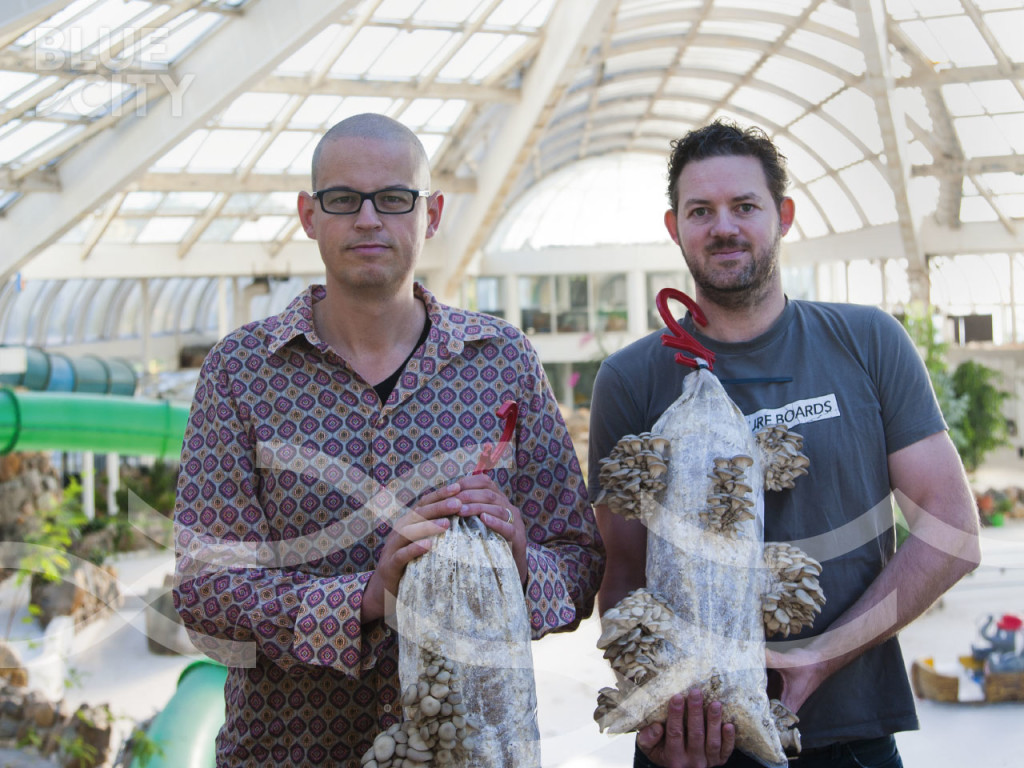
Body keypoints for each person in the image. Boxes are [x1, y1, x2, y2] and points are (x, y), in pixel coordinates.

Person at [173, 113, 603, 766]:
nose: (369, 219)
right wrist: (366, 599)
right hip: (288, 752)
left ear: (430, 213)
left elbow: (579, 567)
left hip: (469, 751)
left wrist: (518, 561)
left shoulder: (503, 362)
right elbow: (207, 597)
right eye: (343, 200)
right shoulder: (241, 372)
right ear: (309, 215)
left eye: (394, 199)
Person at [588, 119, 981, 768]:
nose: (723, 226)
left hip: (850, 729)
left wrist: (822, 655)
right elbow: (622, 574)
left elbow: (952, 530)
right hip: (695, 743)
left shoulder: (866, 342)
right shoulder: (632, 378)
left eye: (745, 206)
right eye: (700, 211)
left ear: (784, 215)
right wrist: (657, 704)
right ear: (674, 227)